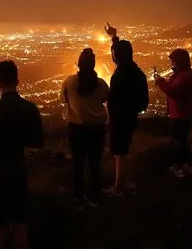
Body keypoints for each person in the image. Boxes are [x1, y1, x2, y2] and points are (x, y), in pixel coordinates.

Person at [0, 60, 44, 249]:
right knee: (20, 228)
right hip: (18, 176)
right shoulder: (30, 109)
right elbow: (38, 143)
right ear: (18, 81)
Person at [102, 23, 149, 198]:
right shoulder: (135, 71)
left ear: (118, 56)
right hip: (130, 116)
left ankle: (118, 189)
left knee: (120, 153)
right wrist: (114, 38)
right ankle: (126, 182)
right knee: (125, 150)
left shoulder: (121, 75)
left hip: (120, 118)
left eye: (114, 53)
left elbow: (113, 97)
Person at [59, 48, 110, 209]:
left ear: (79, 64)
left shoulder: (69, 82)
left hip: (77, 129)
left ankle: (78, 197)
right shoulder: (101, 84)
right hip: (97, 129)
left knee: (78, 163)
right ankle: (95, 196)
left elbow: (62, 100)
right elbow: (105, 98)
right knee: (95, 163)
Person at [154, 48, 192, 178]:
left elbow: (172, 90)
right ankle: (186, 164)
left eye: (173, 62)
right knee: (182, 140)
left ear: (178, 62)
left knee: (178, 141)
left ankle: (178, 166)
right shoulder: (184, 73)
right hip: (182, 112)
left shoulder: (185, 77)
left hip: (180, 114)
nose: (171, 64)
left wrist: (159, 80)